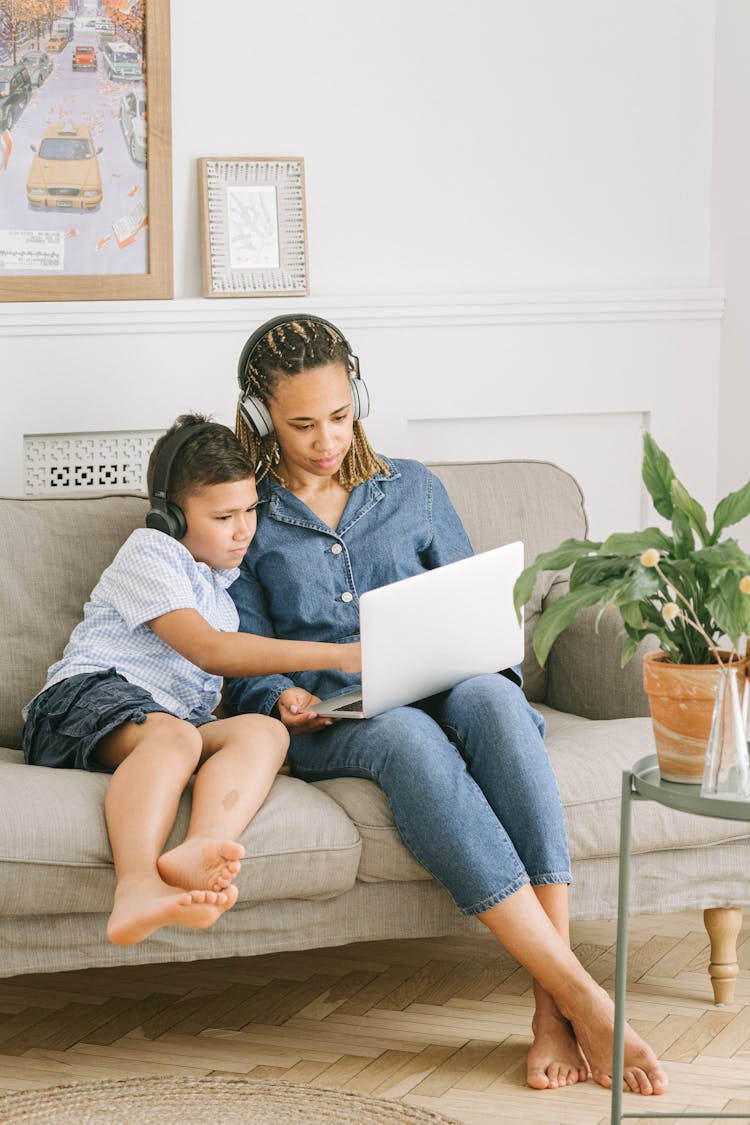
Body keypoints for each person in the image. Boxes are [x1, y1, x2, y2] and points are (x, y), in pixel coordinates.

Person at [224, 315, 669, 1098]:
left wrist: (478, 651)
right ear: (262, 419)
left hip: (446, 682)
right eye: (301, 424)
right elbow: (243, 658)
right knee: (407, 739)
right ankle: (583, 993)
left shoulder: (416, 488)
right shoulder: (248, 516)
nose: (327, 439)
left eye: (338, 415)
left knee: (494, 704)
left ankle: (550, 1005)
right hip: (341, 717)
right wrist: (281, 695)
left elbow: (483, 617)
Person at [22, 414, 360, 949]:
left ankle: (203, 846)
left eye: (251, 510)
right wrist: (339, 655)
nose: (244, 529)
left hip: (161, 722)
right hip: (78, 703)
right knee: (174, 736)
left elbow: (209, 684)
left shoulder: (220, 594)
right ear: (170, 518)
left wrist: (284, 701)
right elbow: (209, 650)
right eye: (225, 516)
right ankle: (135, 887)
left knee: (263, 734)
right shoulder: (151, 553)